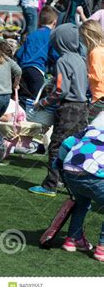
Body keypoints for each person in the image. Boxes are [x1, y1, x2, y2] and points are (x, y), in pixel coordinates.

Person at [29, 23, 89, 197]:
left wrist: (43, 103)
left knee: (56, 146)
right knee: (75, 146)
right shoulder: (81, 59)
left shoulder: (63, 60)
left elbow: (60, 90)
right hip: (82, 107)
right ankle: (72, 182)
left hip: (68, 109)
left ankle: (50, 185)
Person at [55, 112, 104, 262]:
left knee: (82, 203)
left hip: (71, 171)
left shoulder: (88, 131)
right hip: (93, 174)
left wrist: (59, 167)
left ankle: (72, 239)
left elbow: (65, 145)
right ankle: (102, 248)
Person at [15, 6, 59, 107]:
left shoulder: (32, 35)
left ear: (39, 21)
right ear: (55, 22)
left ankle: (20, 117)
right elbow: (54, 55)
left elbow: (19, 53)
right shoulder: (51, 35)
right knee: (38, 98)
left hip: (23, 69)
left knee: (23, 97)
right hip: (36, 70)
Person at [79, 20, 104, 122]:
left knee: (90, 125)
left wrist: (85, 74)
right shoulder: (102, 49)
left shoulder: (95, 52)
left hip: (99, 97)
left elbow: (97, 77)